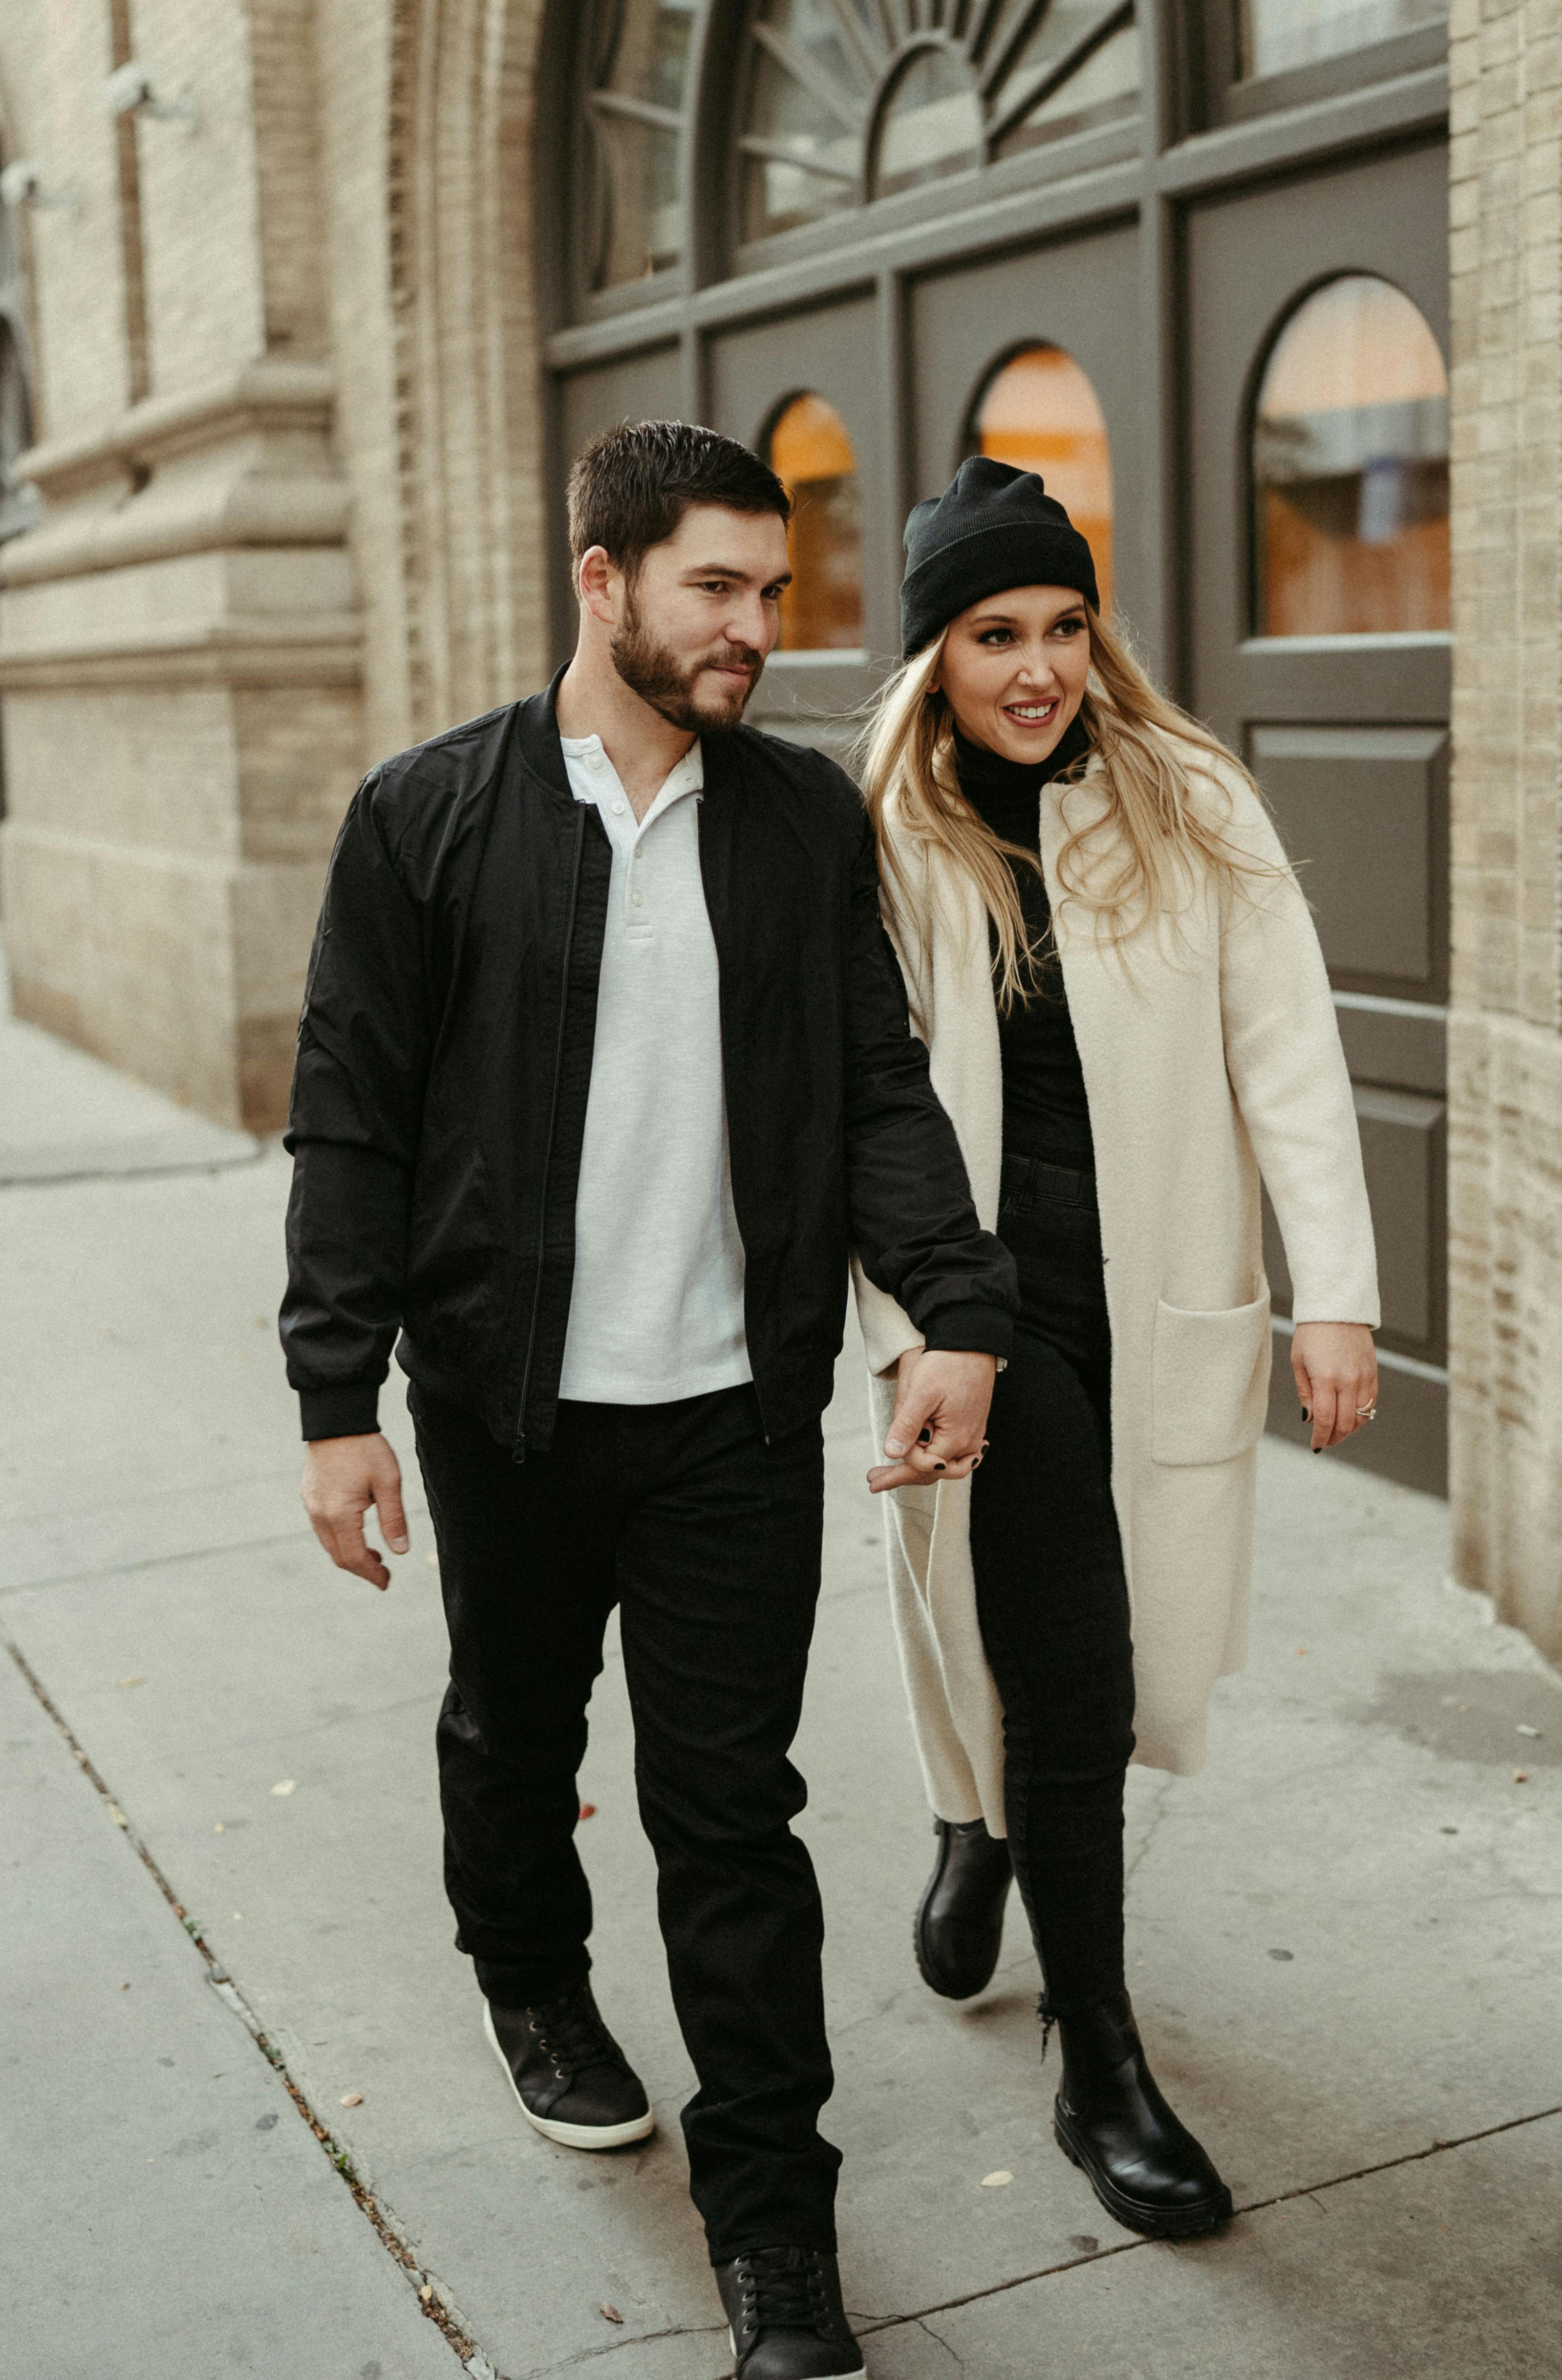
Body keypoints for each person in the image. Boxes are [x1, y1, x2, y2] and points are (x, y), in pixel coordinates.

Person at [280, 421, 1018, 2380]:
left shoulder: (792, 822)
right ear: (599, 582)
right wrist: (331, 1393)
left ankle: (775, 2239)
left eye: (769, 592)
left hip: (728, 1420)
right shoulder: (426, 816)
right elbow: (349, 1113)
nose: (752, 628)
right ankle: (531, 1982)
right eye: (714, 586)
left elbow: (874, 1083)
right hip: (507, 1410)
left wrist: (951, 1303)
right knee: (514, 1743)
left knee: (731, 1823)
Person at [854, 457, 1379, 2243]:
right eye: (995, 631)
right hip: (973, 1323)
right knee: (1063, 1666)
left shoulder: (1191, 800)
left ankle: (989, 1832)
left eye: (1065, 626)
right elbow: (843, 1108)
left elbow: (1288, 1054)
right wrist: (905, 1321)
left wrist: (1338, 1291)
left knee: (1100, 1656)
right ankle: (1098, 2060)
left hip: (1149, 1296)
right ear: (935, 648)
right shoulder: (889, 832)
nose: (1038, 667)